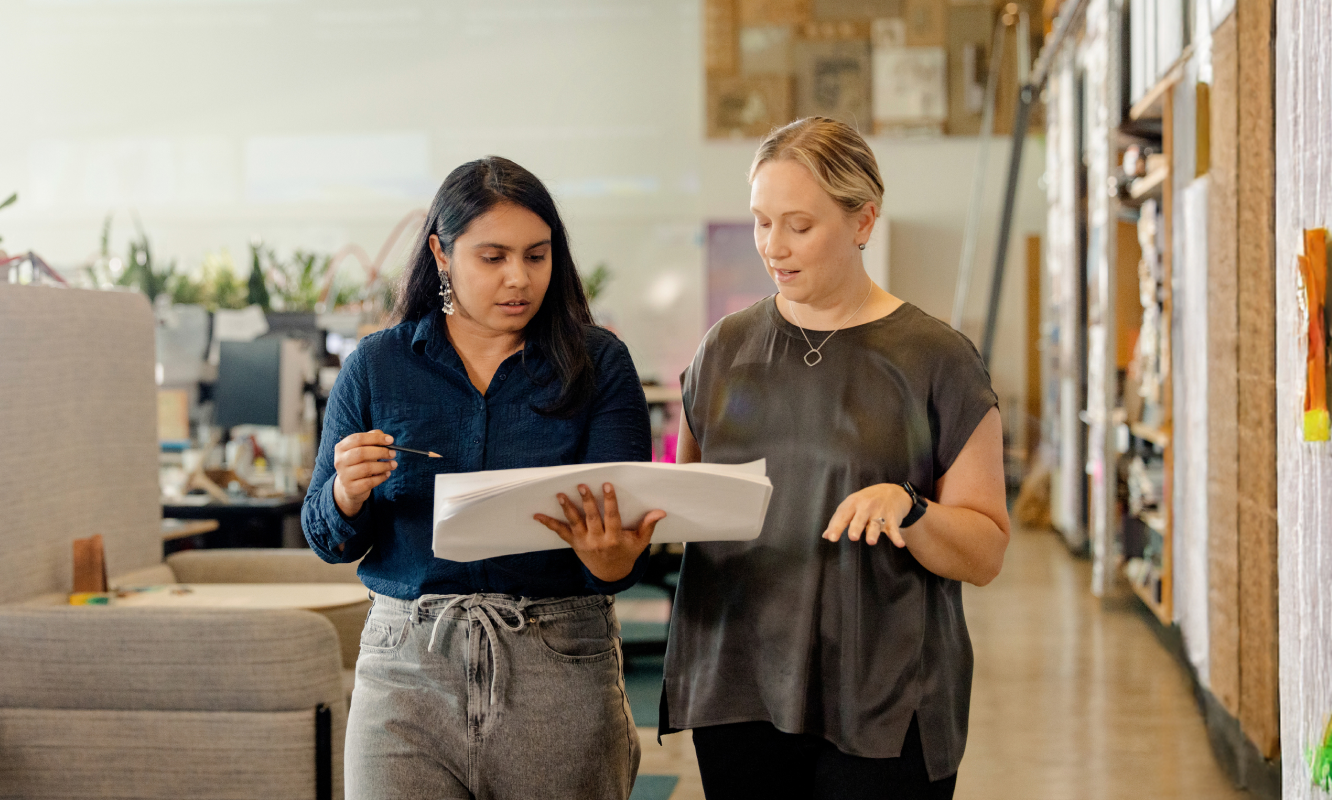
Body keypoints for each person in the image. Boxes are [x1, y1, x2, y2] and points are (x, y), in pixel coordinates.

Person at [662, 117, 1012, 799]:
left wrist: (909, 509)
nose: (773, 247)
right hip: (739, 687)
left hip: (884, 698)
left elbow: (986, 550)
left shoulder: (937, 360)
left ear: (863, 222)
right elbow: (690, 504)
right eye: (762, 222)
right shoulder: (724, 350)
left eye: (799, 225)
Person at [301, 156, 662, 800]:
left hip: (558, 661)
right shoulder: (377, 366)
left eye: (537, 255)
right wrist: (345, 492)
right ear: (442, 253)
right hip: (406, 664)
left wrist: (611, 558)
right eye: (492, 257)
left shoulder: (598, 362)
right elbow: (328, 538)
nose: (518, 279)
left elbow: (617, 561)